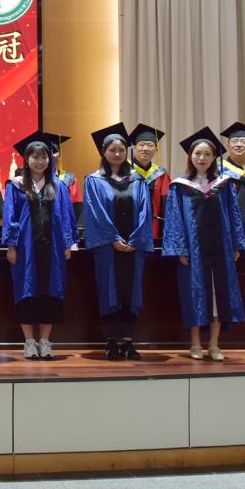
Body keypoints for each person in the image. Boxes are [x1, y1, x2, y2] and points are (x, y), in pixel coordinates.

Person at [163, 127, 245, 362]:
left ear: (214, 157)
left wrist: (236, 245)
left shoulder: (224, 184)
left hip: (220, 248)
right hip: (193, 250)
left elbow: (234, 215)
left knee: (218, 295)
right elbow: (174, 219)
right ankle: (195, 343)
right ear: (190, 156)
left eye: (207, 154)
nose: (202, 158)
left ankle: (214, 344)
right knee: (195, 294)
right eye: (197, 153)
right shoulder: (180, 186)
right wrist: (179, 248)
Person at [2, 132, 77, 361]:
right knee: (26, 292)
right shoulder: (16, 186)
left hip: (53, 249)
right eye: (34, 157)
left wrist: (67, 244)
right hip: (26, 249)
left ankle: (45, 341)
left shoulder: (58, 186)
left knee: (50, 292)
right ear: (26, 160)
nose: (40, 161)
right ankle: (29, 342)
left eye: (44, 157)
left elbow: (66, 217)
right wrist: (11, 246)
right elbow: (10, 217)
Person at [83, 123, 154, 361]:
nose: (117, 154)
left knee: (131, 293)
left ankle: (129, 342)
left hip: (134, 247)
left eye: (121, 150)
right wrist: (113, 239)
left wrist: (135, 239)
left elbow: (145, 211)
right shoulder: (94, 180)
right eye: (112, 150)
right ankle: (111, 342)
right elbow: (95, 212)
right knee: (109, 292)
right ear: (103, 152)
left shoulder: (137, 179)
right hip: (107, 248)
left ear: (127, 152)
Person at [129, 123, 170, 239]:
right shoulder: (123, 172)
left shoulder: (161, 175)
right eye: (141, 144)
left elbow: (166, 207)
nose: (145, 148)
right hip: (127, 229)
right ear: (134, 147)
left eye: (150, 145)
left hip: (153, 231)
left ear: (156, 149)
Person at [52, 135, 83, 230]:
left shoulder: (69, 179)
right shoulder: (28, 182)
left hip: (65, 230)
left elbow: (77, 211)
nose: (50, 155)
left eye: (54, 151)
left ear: (60, 154)